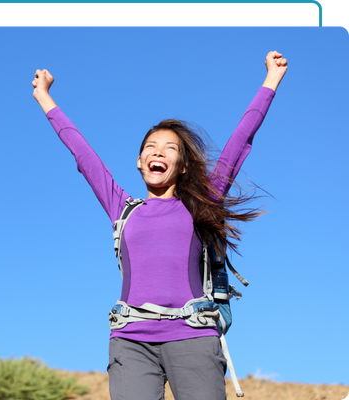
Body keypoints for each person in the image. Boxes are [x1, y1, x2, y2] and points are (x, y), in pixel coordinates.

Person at [32, 51, 288, 400]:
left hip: (194, 335)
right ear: (139, 162)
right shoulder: (122, 207)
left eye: (170, 148)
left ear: (182, 165)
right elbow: (83, 154)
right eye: (151, 147)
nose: (159, 152)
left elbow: (239, 141)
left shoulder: (201, 203)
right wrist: (45, 97)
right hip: (131, 338)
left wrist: (271, 80)